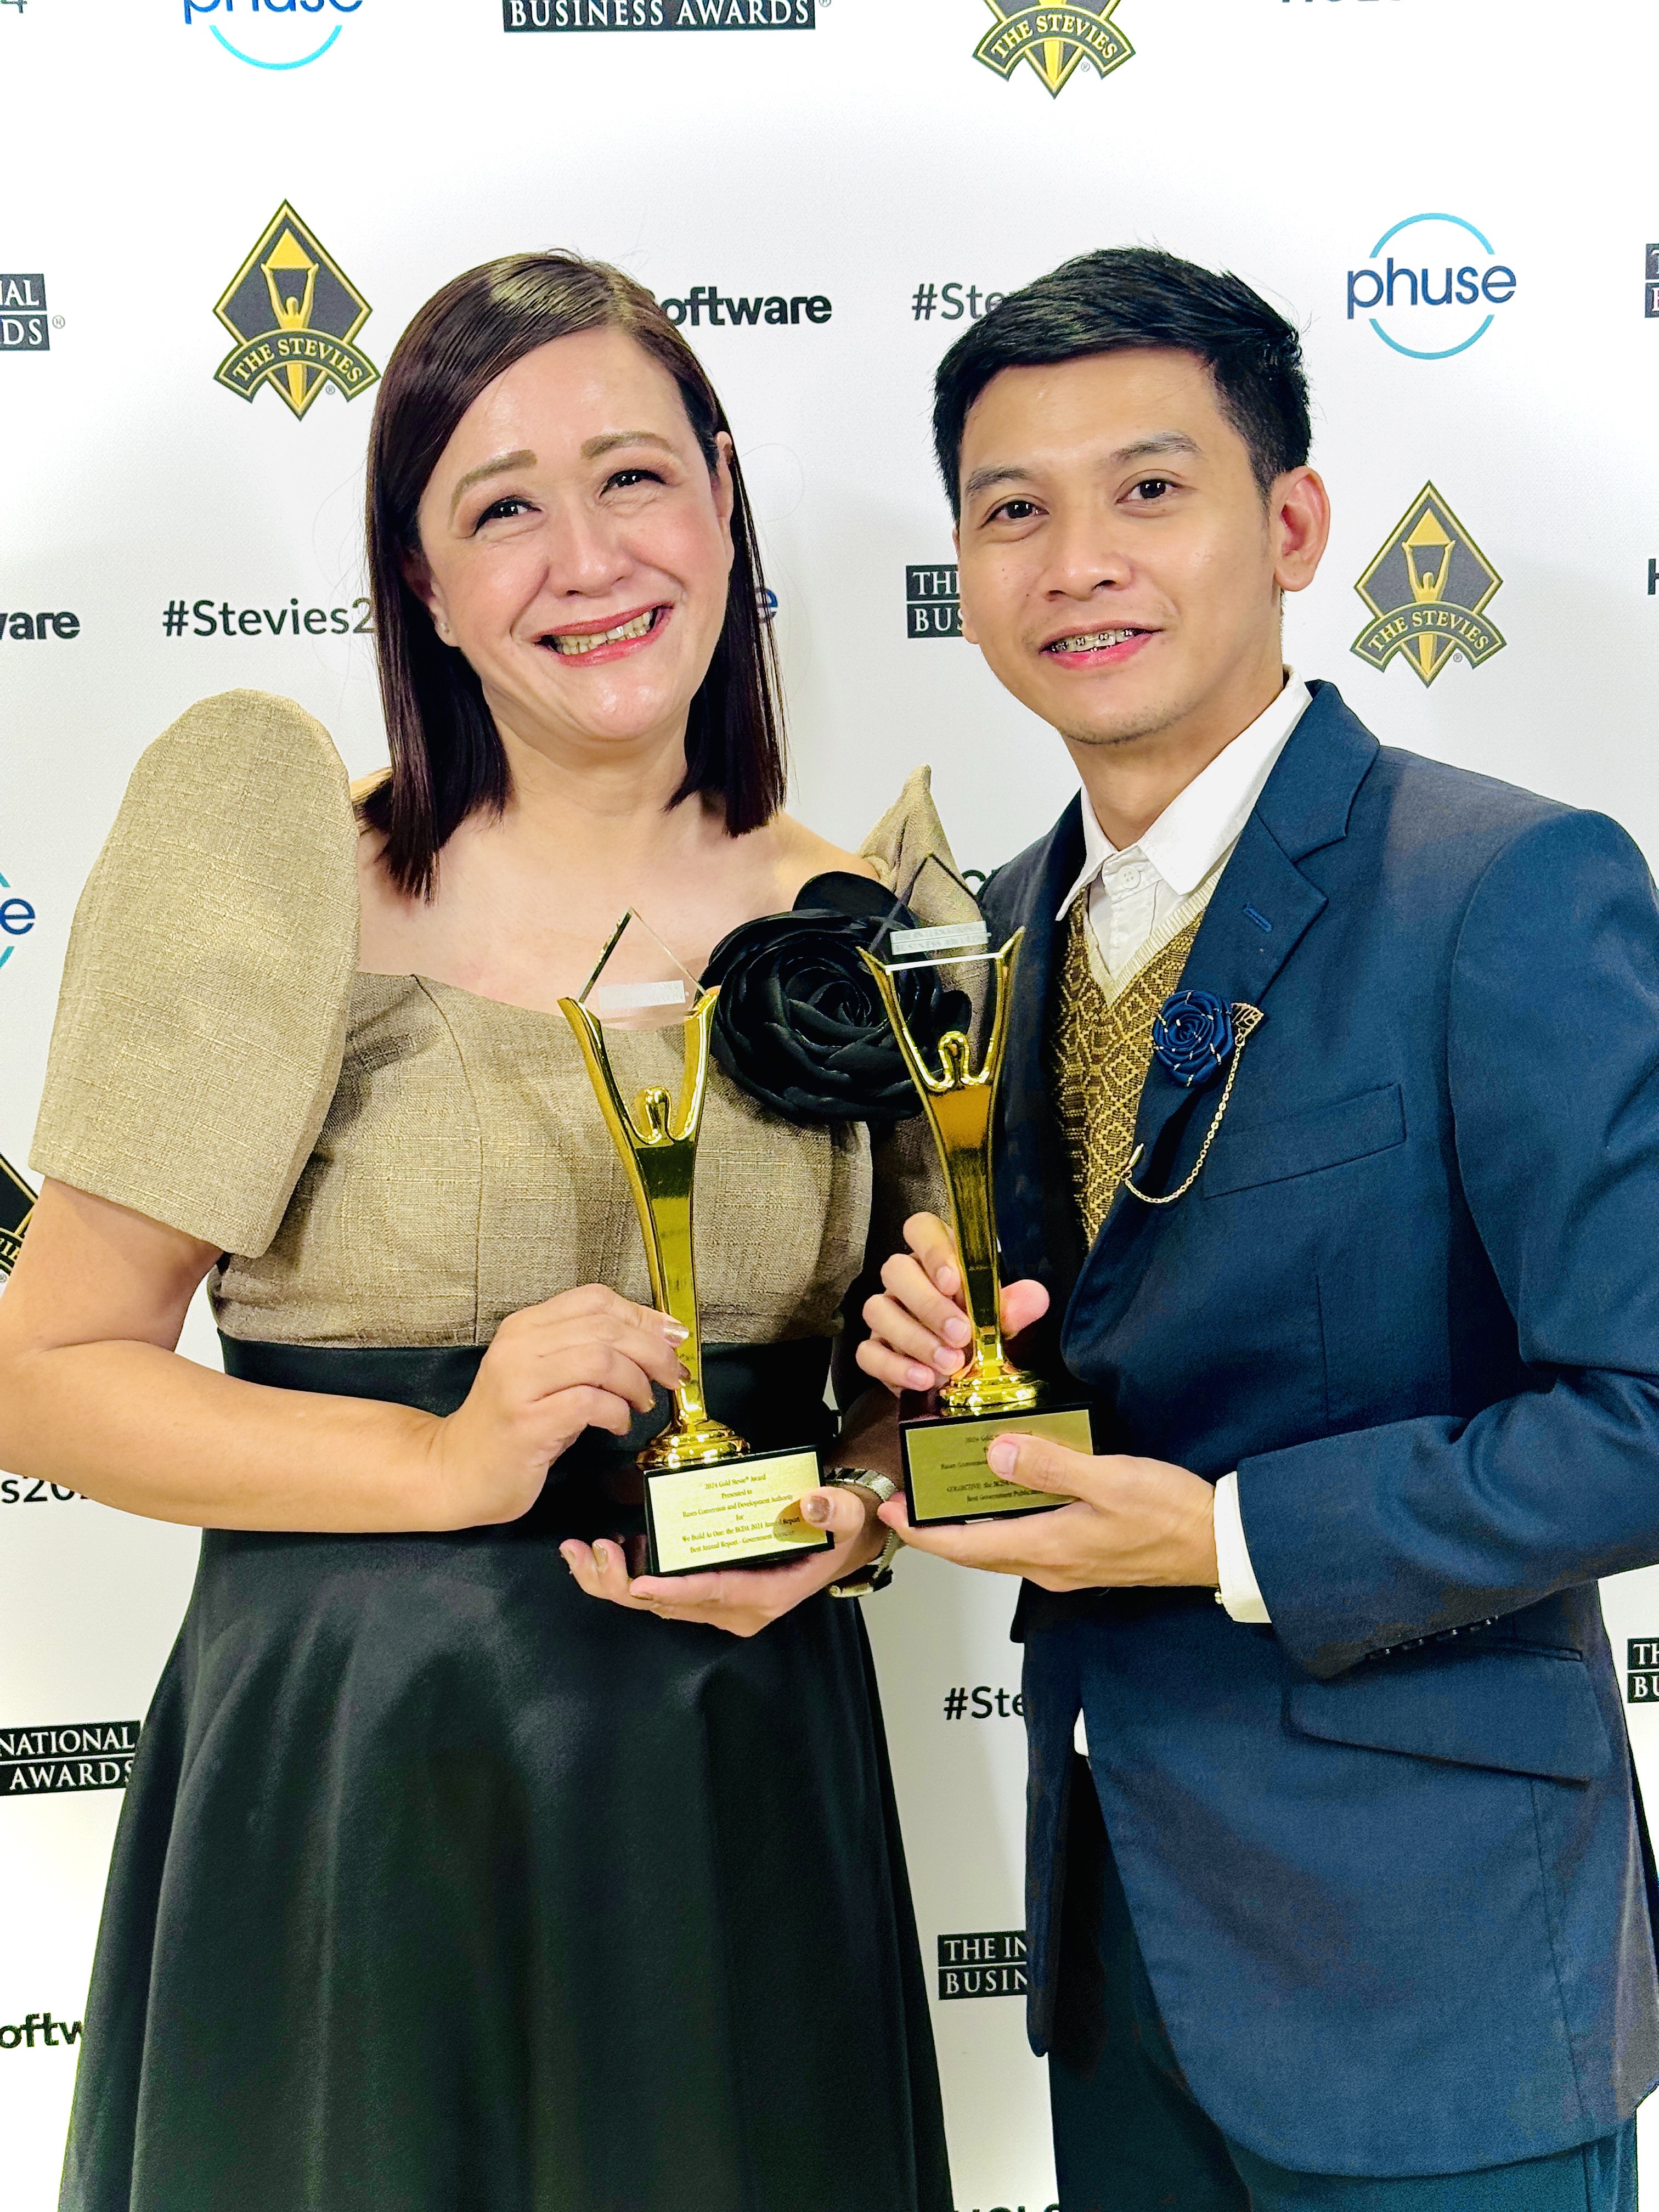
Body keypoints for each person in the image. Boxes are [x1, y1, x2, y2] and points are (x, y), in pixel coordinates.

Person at [0, 251, 960, 2212]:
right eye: (502, 506)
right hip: (363, 1784)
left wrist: (860, 1505)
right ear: (420, 582)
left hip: (738, 1780)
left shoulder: (879, 915)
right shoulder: (288, 869)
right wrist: (442, 1463)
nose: (589, 558)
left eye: (634, 477)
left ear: (721, 496)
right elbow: (47, 1372)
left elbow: (913, 1395)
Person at [857, 246, 1658, 2210]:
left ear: (1292, 526)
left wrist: (1221, 1538)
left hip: (1441, 1973)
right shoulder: (984, 938)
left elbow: (1645, 1414)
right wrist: (925, 1399)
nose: (1079, 565)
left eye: (1150, 490)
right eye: (1014, 512)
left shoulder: (1504, 886)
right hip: (1119, 1958)